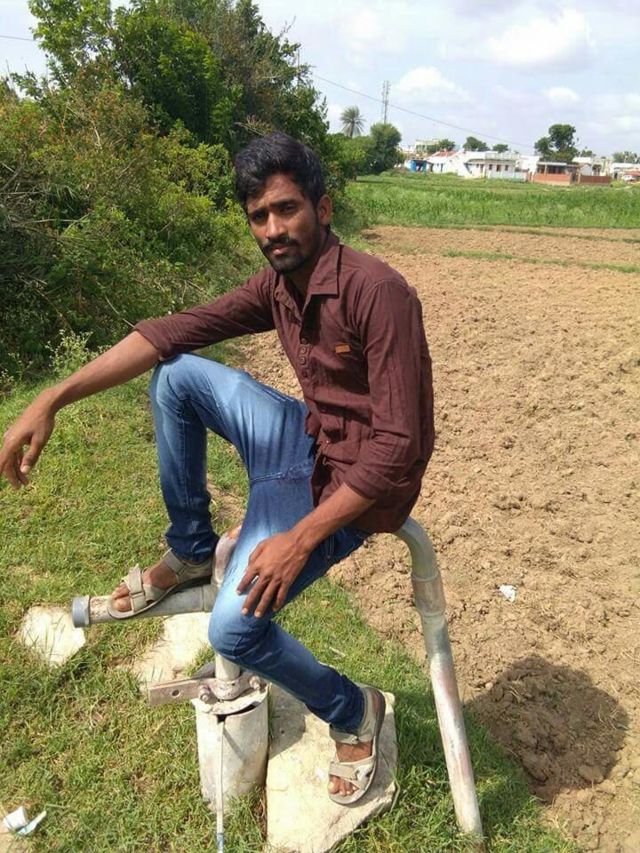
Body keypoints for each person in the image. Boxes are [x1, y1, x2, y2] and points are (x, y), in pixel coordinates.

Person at [0, 132, 434, 804]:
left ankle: (354, 709)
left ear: (323, 207)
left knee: (233, 629)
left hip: (350, 492)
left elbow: (399, 447)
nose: (273, 229)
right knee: (177, 374)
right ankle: (192, 549)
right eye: (259, 216)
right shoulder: (279, 287)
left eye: (286, 209)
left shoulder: (378, 293)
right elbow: (168, 332)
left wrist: (300, 538)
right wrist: (52, 396)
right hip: (302, 444)